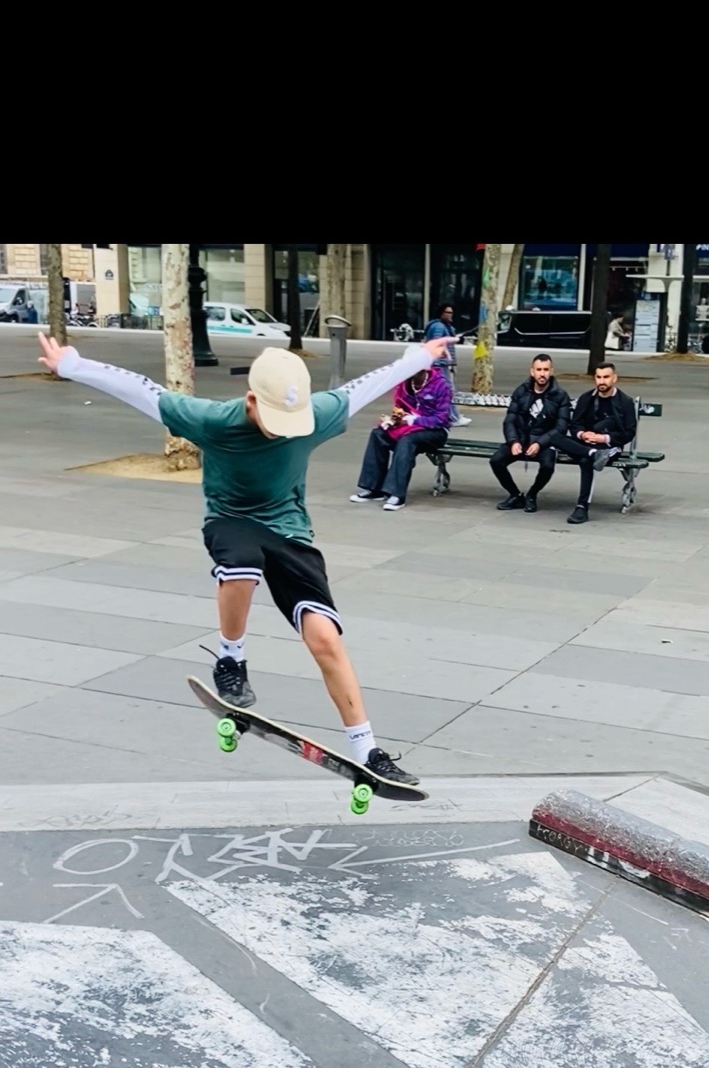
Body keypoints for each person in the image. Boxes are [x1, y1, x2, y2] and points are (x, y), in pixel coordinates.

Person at [37, 328, 455, 785]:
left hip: (290, 530)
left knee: (326, 639)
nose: (281, 430)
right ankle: (230, 658)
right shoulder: (210, 419)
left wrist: (419, 355)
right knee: (242, 567)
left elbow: (369, 383)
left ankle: (367, 749)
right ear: (251, 399)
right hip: (230, 519)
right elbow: (141, 388)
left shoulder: (319, 413)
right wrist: (70, 364)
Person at [349, 363, 452, 511]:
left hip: (435, 432)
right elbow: (400, 409)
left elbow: (441, 419)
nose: (408, 376)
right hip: (408, 427)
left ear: (424, 369)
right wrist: (394, 420)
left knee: (407, 441)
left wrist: (413, 420)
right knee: (378, 434)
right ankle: (374, 488)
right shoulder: (404, 384)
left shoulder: (441, 385)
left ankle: (396, 493)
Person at [549, 362, 637, 525]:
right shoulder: (587, 398)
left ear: (614, 378)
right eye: (598, 377)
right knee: (554, 437)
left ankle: (582, 507)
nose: (602, 381)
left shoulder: (625, 402)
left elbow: (629, 433)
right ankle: (591, 454)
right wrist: (583, 434)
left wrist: (602, 438)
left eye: (606, 377)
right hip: (586, 444)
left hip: (609, 446)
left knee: (585, 461)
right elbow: (574, 425)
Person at [488, 354, 570, 514]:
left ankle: (532, 494)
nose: (542, 374)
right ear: (532, 371)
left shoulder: (560, 396)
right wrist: (513, 441)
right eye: (539, 369)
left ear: (551, 371)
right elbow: (509, 420)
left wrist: (540, 443)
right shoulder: (521, 391)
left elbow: (561, 427)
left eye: (546, 370)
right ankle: (515, 495)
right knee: (496, 460)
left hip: (545, 442)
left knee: (548, 465)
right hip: (521, 439)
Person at [422, 303, 471, 426]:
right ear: (441, 313)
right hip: (439, 364)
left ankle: (449, 415)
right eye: (448, 312)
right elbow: (436, 343)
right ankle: (454, 417)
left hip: (440, 363)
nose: (450, 315)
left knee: (441, 391)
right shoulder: (439, 327)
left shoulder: (442, 326)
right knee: (448, 390)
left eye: (451, 313)